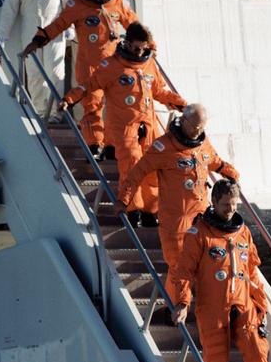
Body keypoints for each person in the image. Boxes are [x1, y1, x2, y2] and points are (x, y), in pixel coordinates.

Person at [168, 180, 270, 362]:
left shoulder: (242, 231)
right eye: (226, 205)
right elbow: (183, 272)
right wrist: (181, 302)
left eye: (234, 205)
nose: (230, 210)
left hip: (243, 306)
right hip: (212, 309)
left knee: (259, 360)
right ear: (213, 202)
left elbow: (252, 275)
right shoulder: (199, 233)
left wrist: (262, 309)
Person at [59, 23, 186, 225]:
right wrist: (69, 99)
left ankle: (150, 211)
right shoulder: (111, 66)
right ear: (126, 43)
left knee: (153, 169)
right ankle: (132, 209)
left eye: (144, 49)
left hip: (148, 124)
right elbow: (90, 85)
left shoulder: (149, 64)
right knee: (132, 165)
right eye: (137, 48)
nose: (140, 52)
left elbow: (159, 91)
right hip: (124, 127)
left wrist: (181, 104)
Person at [26, 0, 138, 157]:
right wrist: (39, 40)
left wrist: (150, 48)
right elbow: (59, 24)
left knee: (114, 107)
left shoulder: (118, 2)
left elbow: (135, 27)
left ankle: (111, 146)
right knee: (92, 106)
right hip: (89, 65)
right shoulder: (78, 4)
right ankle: (95, 145)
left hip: (114, 65)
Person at [115, 102, 239, 270]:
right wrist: (124, 200)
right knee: (178, 267)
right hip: (176, 220)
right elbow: (137, 173)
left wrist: (230, 172)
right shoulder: (163, 147)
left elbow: (214, 161)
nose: (198, 132)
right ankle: (179, 297)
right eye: (195, 127)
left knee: (207, 264)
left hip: (201, 215)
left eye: (201, 128)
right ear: (183, 121)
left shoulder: (203, 143)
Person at [0, 0, 73, 122]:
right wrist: (2, 39)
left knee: (55, 72)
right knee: (35, 74)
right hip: (30, 35)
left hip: (55, 32)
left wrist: (70, 29)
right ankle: (39, 112)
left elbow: (69, 2)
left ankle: (55, 113)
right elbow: (9, 11)